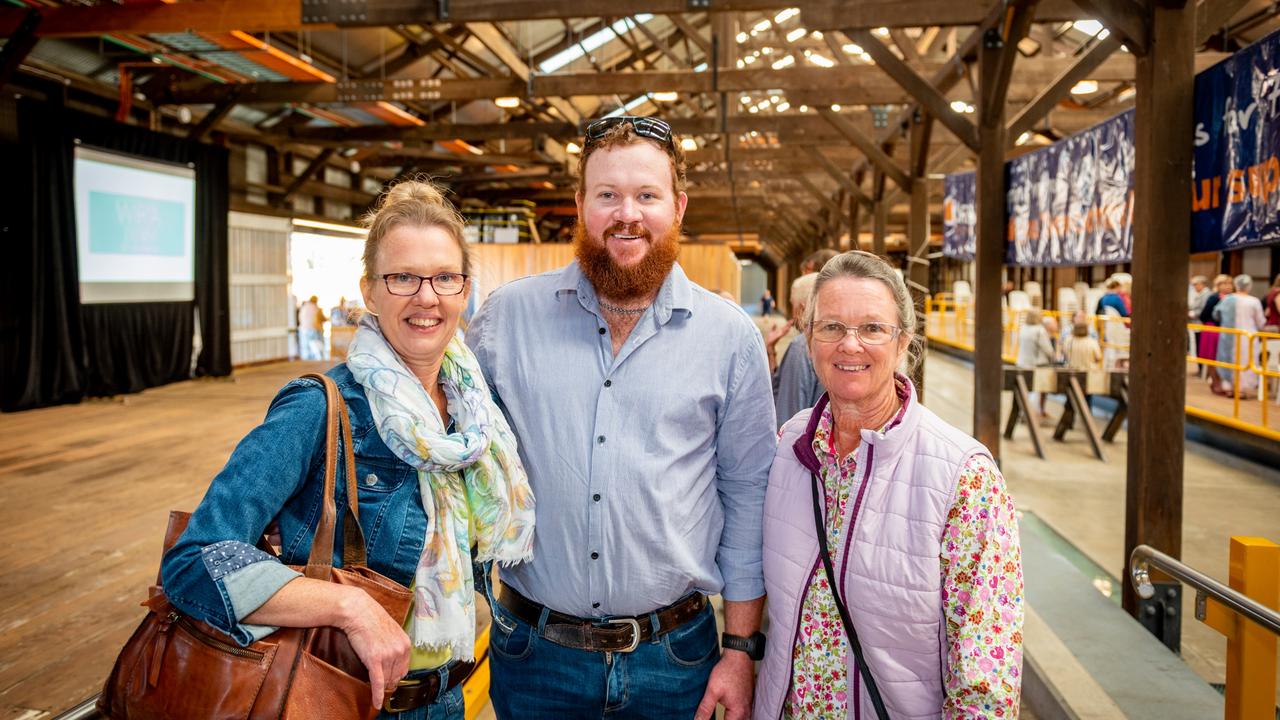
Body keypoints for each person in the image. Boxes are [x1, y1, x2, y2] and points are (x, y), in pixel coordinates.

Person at [161, 181, 535, 719]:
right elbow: (194, 560)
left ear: (464, 289)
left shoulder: (477, 418)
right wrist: (349, 606)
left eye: (444, 277)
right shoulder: (320, 408)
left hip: (446, 697)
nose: (426, 297)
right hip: (344, 699)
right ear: (369, 290)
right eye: (402, 277)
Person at [466, 115, 776, 720]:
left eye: (646, 195)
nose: (625, 213)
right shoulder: (506, 322)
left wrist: (740, 650)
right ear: (581, 204)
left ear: (678, 206)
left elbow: (747, 495)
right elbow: (453, 454)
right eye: (607, 194)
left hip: (675, 661)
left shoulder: (729, 338)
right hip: (535, 658)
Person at [754, 251, 1023, 719]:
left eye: (873, 329)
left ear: (904, 343)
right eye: (832, 327)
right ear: (809, 336)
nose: (850, 345)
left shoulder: (964, 477)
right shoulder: (788, 447)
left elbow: (986, 681)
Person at [773, 272, 825, 429]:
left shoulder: (800, 347)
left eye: (792, 306)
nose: (792, 313)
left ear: (802, 309)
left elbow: (788, 418)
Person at [1213, 274, 1267, 398]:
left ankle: (1229, 387)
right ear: (1249, 286)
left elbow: (1216, 314)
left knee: (1229, 359)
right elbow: (1261, 322)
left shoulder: (1227, 299)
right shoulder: (1253, 301)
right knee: (1246, 362)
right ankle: (1241, 390)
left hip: (1229, 335)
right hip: (1248, 336)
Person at [1016, 309, 1056, 422]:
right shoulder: (1039, 331)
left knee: (1024, 390)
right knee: (1038, 390)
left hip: (1022, 362)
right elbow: (1047, 349)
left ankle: (1022, 411)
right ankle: (1035, 413)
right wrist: (1053, 357)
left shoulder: (1023, 328)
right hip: (1036, 364)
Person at [1198, 274, 1233, 393]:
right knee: (1212, 357)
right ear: (1218, 286)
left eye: (1229, 284)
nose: (1228, 286)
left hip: (1226, 330)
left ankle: (1224, 382)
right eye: (1224, 284)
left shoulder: (1233, 298)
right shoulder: (1214, 298)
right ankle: (1215, 381)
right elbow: (1204, 315)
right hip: (1213, 329)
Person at [298, 295, 327, 360]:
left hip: (303, 329)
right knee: (317, 345)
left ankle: (306, 360)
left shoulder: (304, 307)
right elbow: (322, 318)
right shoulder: (316, 308)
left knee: (306, 347)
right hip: (314, 329)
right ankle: (319, 360)